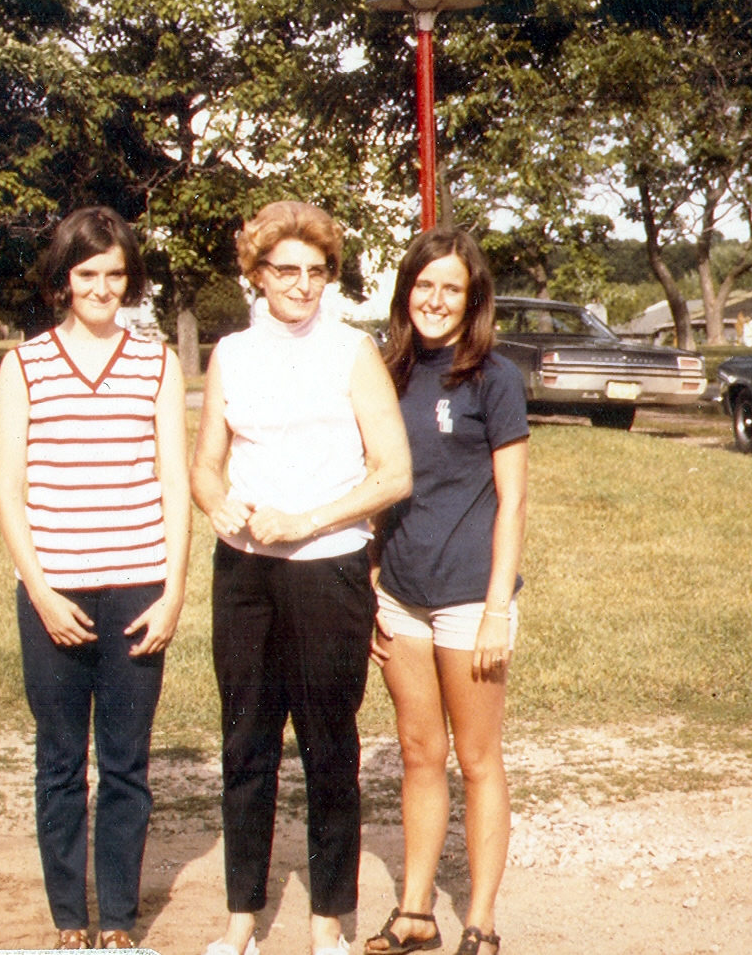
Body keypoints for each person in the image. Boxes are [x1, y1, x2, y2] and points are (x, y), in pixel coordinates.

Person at [190, 200, 413, 955]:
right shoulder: (230, 353)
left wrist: (306, 521)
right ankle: (240, 924)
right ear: (255, 273)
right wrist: (221, 507)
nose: (302, 285)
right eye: (286, 270)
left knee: (328, 748)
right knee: (245, 744)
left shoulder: (352, 353)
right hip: (246, 575)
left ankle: (327, 925)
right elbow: (205, 467)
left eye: (316, 272)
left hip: (330, 571)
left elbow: (393, 474)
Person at [0, 206, 190, 951]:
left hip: (138, 586)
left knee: (124, 763)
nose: (102, 288)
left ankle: (118, 916)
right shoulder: (25, 364)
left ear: (129, 280)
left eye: (115, 274)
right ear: (63, 281)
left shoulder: (157, 362)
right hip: (55, 592)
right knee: (58, 759)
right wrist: (41, 591)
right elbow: (8, 491)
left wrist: (172, 592)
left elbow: (174, 482)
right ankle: (69, 917)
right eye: (87, 275)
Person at [367, 226, 529, 955]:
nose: (434, 300)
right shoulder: (385, 372)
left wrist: (497, 607)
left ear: (472, 301)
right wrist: (372, 580)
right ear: (406, 293)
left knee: (476, 756)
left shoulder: (495, 379)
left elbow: (514, 500)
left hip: (470, 597)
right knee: (417, 750)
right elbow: (374, 484)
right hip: (400, 594)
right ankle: (413, 912)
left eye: (451, 289)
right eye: (423, 286)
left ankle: (481, 920)